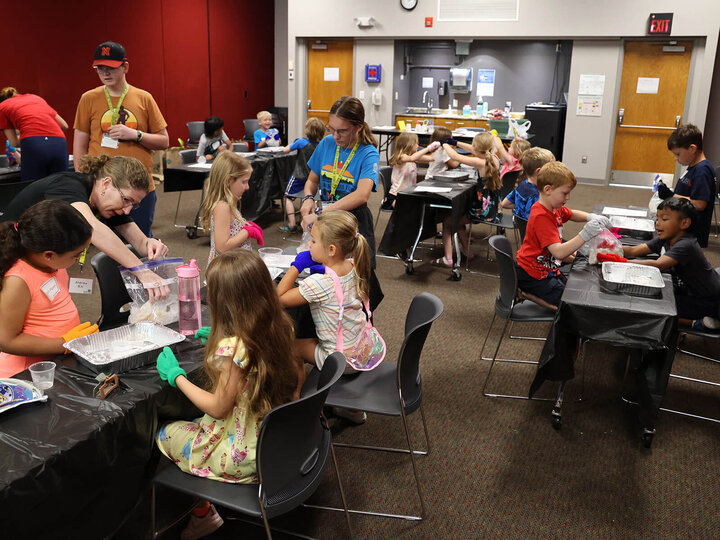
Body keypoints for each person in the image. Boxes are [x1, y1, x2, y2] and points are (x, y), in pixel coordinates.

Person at [155, 249, 303, 539]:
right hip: (277, 442)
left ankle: (203, 513)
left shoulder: (234, 350)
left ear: (224, 303)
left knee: (164, 433)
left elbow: (218, 408)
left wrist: (177, 377)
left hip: (245, 455)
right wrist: (221, 338)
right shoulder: (279, 326)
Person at [2, 155, 169, 299]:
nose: (127, 209)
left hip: (41, 258)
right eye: (126, 200)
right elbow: (93, 228)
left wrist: (150, 244)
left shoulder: (108, 202)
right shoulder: (68, 185)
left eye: (134, 204)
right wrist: (141, 271)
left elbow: (140, 242)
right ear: (106, 184)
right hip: (10, 255)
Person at [277, 211, 385, 424]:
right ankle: (351, 410)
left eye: (314, 240)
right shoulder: (355, 265)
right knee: (309, 340)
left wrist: (297, 265)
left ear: (332, 250)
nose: (309, 245)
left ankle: (299, 406)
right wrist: (324, 267)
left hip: (341, 362)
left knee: (290, 347)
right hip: (363, 351)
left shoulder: (319, 284)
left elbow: (279, 297)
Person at [73, 41, 169, 238]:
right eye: (100, 68)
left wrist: (136, 135)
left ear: (125, 67)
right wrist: (81, 180)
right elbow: (80, 144)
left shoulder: (144, 98)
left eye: (111, 68)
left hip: (137, 189)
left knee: (140, 243)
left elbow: (164, 141)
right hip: (102, 188)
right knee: (103, 244)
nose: (105, 73)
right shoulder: (88, 98)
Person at [0, 200, 98, 377]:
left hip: (57, 362)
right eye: (76, 256)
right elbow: (6, 341)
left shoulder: (53, 264)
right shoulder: (17, 281)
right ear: (49, 255)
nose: (79, 260)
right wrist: (64, 343)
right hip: (27, 374)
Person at [515, 162, 611, 307]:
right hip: (532, 274)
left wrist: (591, 217)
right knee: (569, 304)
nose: (568, 197)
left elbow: (572, 214)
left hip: (548, 268)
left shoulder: (554, 207)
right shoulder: (541, 216)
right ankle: (528, 295)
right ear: (548, 190)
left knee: (572, 293)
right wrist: (585, 234)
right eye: (565, 193)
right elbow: (559, 252)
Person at [622, 197, 720, 330]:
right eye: (658, 218)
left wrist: (620, 262)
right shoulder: (666, 238)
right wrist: (611, 249)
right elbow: (634, 250)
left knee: (653, 305)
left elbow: (658, 265)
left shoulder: (686, 245)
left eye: (664, 219)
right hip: (689, 291)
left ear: (684, 223)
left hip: (709, 301)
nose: (657, 223)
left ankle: (696, 323)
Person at [432, 132, 501, 267]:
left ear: (477, 148)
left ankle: (448, 259)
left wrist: (444, 144)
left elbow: (454, 156)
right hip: (492, 208)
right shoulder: (493, 158)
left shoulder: (480, 162)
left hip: (481, 211)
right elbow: (472, 149)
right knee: (458, 218)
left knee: (448, 222)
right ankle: (467, 251)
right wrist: (455, 143)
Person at [656, 124, 716, 248]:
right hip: (681, 229)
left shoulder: (702, 170)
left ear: (692, 149)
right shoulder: (692, 166)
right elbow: (687, 192)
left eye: (678, 154)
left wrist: (672, 196)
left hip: (691, 233)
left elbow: (700, 203)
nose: (675, 158)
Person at [199, 152, 264, 266]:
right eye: (244, 182)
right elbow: (222, 247)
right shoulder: (222, 207)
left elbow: (230, 229)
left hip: (234, 265)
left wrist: (245, 225)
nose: (247, 187)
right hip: (227, 270)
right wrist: (247, 232)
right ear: (228, 181)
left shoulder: (228, 204)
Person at [0, 87, 69, 182]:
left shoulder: (2, 107)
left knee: (32, 189)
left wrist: (29, 141)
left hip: (34, 144)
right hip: (59, 142)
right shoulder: (36, 98)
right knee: (60, 186)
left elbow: (14, 143)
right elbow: (64, 126)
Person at [280, 117, 325, 233]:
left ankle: (292, 224)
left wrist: (293, 143)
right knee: (313, 200)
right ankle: (311, 225)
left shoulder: (301, 142)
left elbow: (285, 150)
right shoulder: (322, 145)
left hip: (298, 176)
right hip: (315, 179)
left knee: (288, 197)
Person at [384, 132, 440, 209]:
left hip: (408, 193)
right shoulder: (401, 157)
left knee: (423, 206)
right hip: (396, 195)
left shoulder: (413, 156)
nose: (418, 146)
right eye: (416, 144)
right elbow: (412, 158)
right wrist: (428, 148)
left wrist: (440, 148)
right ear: (409, 144)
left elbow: (431, 158)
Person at [500, 147, 555, 220]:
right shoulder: (537, 195)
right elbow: (535, 221)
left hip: (520, 227)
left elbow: (504, 204)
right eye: (551, 169)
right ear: (539, 171)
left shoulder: (522, 185)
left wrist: (521, 206)